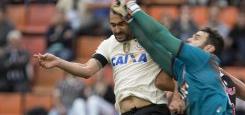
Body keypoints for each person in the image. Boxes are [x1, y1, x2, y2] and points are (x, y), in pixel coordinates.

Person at [111, 0, 245, 115]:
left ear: (209, 49)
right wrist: (128, 18)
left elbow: (160, 34)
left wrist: (131, 5)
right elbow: (151, 46)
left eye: (196, 38)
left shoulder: (202, 58)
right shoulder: (182, 69)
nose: (189, 39)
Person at [34, 10, 175, 115]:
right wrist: (58, 62)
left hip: (152, 109)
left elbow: (175, 72)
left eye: (121, 24)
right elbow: (87, 70)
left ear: (131, 22)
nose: (117, 29)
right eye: (113, 25)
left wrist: (174, 99)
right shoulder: (109, 44)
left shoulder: (149, 39)